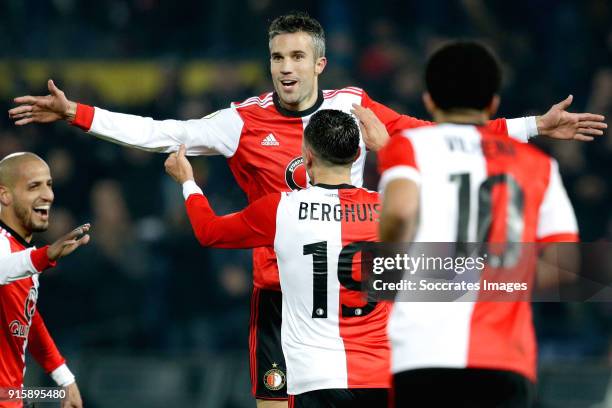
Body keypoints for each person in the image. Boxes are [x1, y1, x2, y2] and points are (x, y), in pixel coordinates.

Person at [8, 12, 605, 405]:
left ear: (319, 63)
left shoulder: (352, 103)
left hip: (369, 292)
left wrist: (533, 126)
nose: (286, 67)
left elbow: (435, 132)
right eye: (277, 56)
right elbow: (163, 131)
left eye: (297, 56)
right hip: (282, 300)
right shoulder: (239, 122)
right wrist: (78, 114)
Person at [377, 41, 580, 407]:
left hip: (422, 354)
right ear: (493, 103)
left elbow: (401, 212)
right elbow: (566, 266)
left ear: (428, 100)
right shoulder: (538, 166)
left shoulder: (408, 147)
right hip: (504, 357)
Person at [165, 110, 389, 408]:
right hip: (379, 375)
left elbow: (209, 232)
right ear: (359, 152)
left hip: (313, 377)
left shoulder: (280, 209)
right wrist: (387, 150)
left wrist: (188, 182)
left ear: (307, 158)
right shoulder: (389, 209)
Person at [0, 152, 90, 408]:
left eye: (49, 185)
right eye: (33, 186)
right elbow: (3, 268)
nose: (48, 195)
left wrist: (65, 381)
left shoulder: (23, 256)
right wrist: (45, 256)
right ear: (4, 195)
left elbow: (28, 318)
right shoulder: (12, 253)